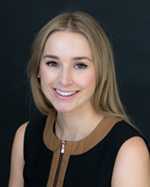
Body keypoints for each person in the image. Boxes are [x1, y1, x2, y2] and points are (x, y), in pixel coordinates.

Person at [9, 11, 150, 187]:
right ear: (38, 70)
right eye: (52, 63)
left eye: (80, 65)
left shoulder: (128, 150)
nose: (64, 80)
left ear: (101, 72)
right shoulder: (25, 136)